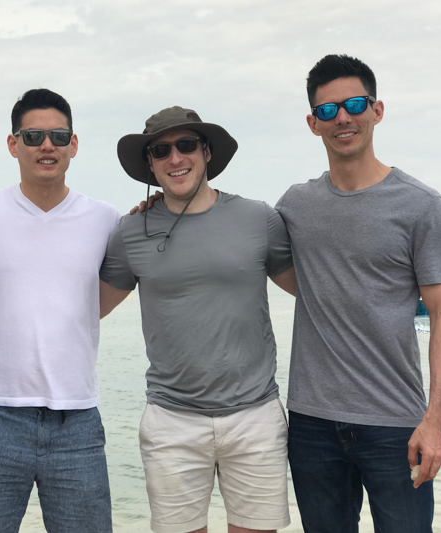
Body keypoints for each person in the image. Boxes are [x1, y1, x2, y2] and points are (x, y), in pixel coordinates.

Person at [276, 54, 441, 532]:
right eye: (328, 110)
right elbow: (244, 247)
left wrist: (435, 421)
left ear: (377, 111)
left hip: (397, 423)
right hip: (312, 423)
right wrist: (159, 209)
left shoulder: (422, 205)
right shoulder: (296, 206)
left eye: (355, 103)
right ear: (313, 123)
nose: (343, 117)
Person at [99, 107, 296, 533]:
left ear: (206, 152)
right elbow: (90, 309)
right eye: (161, 150)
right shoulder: (130, 231)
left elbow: (313, 292)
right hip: (172, 420)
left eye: (186, 145)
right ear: (149, 163)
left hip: (255, 415)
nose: (175, 158)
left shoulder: (258, 218)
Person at [0, 89, 120, 533]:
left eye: (58, 135)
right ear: (13, 145)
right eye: (33, 136)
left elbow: (123, 278)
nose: (46, 145)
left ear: (74, 144)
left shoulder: (106, 219)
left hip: (77, 420)